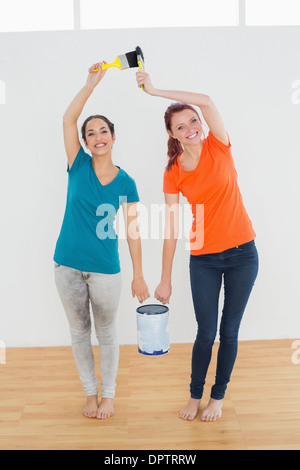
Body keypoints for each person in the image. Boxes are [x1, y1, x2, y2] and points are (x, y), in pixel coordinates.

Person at [136, 71, 259, 422]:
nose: (191, 127)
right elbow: (171, 227)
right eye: (181, 126)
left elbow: (205, 99)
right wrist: (164, 279)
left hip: (243, 254)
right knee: (205, 332)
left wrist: (155, 90)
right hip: (203, 258)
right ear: (172, 135)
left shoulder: (219, 143)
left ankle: (217, 396)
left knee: (229, 330)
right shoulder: (174, 171)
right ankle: (195, 395)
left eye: (192, 120)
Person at [54, 62, 150, 420]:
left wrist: (139, 275)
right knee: (79, 333)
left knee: (107, 334)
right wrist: (90, 84)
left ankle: (108, 396)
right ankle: (90, 394)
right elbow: (67, 119)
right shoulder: (76, 164)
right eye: (91, 132)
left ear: (113, 136)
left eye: (103, 130)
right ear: (84, 141)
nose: (98, 136)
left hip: (106, 272)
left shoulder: (127, 183)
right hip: (66, 267)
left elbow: (133, 231)